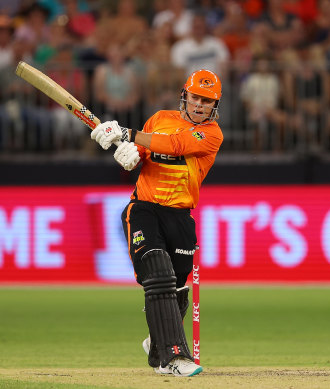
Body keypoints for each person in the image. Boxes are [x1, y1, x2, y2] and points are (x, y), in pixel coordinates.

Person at [89, 69, 224, 377]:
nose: (201, 105)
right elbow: (146, 148)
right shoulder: (159, 118)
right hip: (144, 209)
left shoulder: (212, 134)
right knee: (158, 271)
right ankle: (175, 357)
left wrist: (127, 135)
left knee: (176, 287)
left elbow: (175, 145)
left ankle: (158, 341)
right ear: (184, 95)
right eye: (196, 97)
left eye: (208, 100)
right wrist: (130, 153)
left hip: (180, 215)